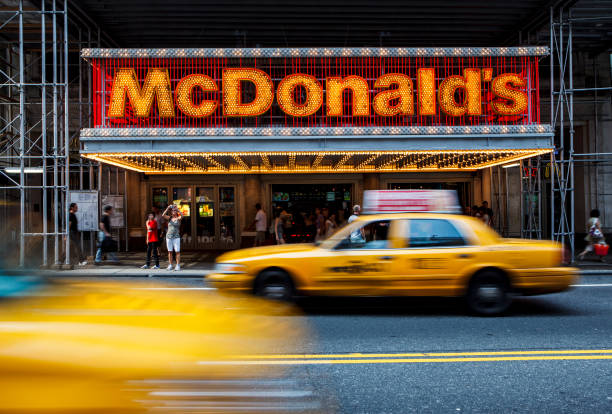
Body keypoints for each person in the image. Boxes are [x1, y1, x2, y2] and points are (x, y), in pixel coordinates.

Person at [163, 205, 182, 271]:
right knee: (170, 252)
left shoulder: (178, 218)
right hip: (169, 236)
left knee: (177, 251)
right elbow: (163, 215)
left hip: (176, 237)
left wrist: (178, 209)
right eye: (173, 210)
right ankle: (170, 265)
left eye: (175, 211)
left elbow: (182, 216)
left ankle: (178, 265)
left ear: (176, 212)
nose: (173, 211)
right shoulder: (169, 218)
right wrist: (168, 208)